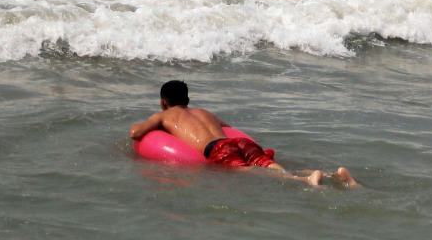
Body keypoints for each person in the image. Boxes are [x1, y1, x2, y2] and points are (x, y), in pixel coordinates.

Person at [128, 80, 357, 187]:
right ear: (188, 100)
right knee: (268, 164)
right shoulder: (204, 112)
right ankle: (334, 175)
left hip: (217, 149)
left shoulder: (165, 116)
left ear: (163, 102)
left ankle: (305, 180)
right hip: (237, 141)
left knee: (248, 172)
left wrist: (157, 125)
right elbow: (227, 127)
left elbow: (136, 133)